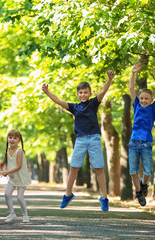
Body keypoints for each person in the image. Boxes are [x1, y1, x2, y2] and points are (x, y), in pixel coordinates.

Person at [41, 70, 115, 211]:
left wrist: (109, 79)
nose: (83, 95)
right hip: (80, 140)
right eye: (80, 93)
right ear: (77, 94)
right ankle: (68, 194)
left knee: (98, 168)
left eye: (85, 92)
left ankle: (104, 197)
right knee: (74, 168)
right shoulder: (74, 107)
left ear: (90, 93)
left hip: (94, 138)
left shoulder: (93, 103)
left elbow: (103, 91)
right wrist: (47, 92)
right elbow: (58, 101)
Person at [128, 63, 155, 206]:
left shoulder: (153, 108)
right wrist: (133, 73)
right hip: (133, 142)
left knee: (147, 172)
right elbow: (131, 88)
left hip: (146, 143)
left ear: (151, 100)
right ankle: (139, 192)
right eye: (142, 98)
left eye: (146, 98)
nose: (144, 100)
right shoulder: (136, 105)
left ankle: (144, 185)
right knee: (133, 171)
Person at [0, 129, 32, 223]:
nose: (12, 140)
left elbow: (18, 166)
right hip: (13, 178)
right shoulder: (7, 151)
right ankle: (12, 213)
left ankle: (25, 215)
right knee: (7, 194)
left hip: (21, 177)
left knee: (19, 197)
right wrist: (2, 170)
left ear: (19, 140)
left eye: (15, 138)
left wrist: (7, 172)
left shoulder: (19, 151)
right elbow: (3, 163)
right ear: (7, 139)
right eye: (10, 137)